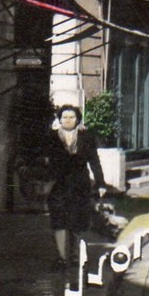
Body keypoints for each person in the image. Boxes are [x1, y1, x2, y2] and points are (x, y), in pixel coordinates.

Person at [44, 104, 107, 268]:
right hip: (58, 185)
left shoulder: (86, 137)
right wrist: (45, 182)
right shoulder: (51, 137)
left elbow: (94, 160)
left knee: (76, 221)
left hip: (80, 185)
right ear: (59, 119)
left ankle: (75, 256)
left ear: (78, 119)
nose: (68, 120)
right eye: (64, 117)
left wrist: (101, 183)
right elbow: (46, 161)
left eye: (72, 117)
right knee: (58, 220)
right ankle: (62, 257)